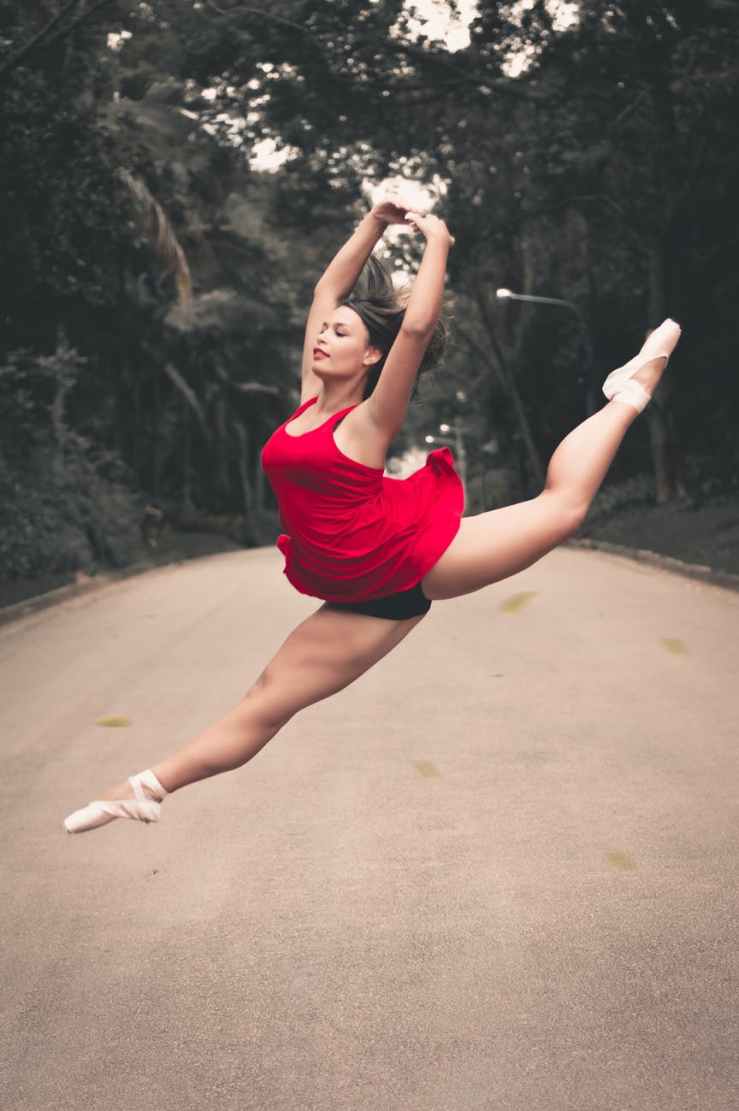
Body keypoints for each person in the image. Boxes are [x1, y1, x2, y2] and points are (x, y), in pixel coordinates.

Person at [63, 196, 682, 833]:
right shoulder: (308, 404)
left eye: (339, 334)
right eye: (324, 330)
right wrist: (373, 225)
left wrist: (437, 241)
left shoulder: (368, 422)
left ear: (369, 359)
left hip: (411, 562)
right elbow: (328, 289)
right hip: (355, 590)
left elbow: (413, 330)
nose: (322, 336)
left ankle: (629, 392)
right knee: (265, 705)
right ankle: (142, 788)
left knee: (562, 508)